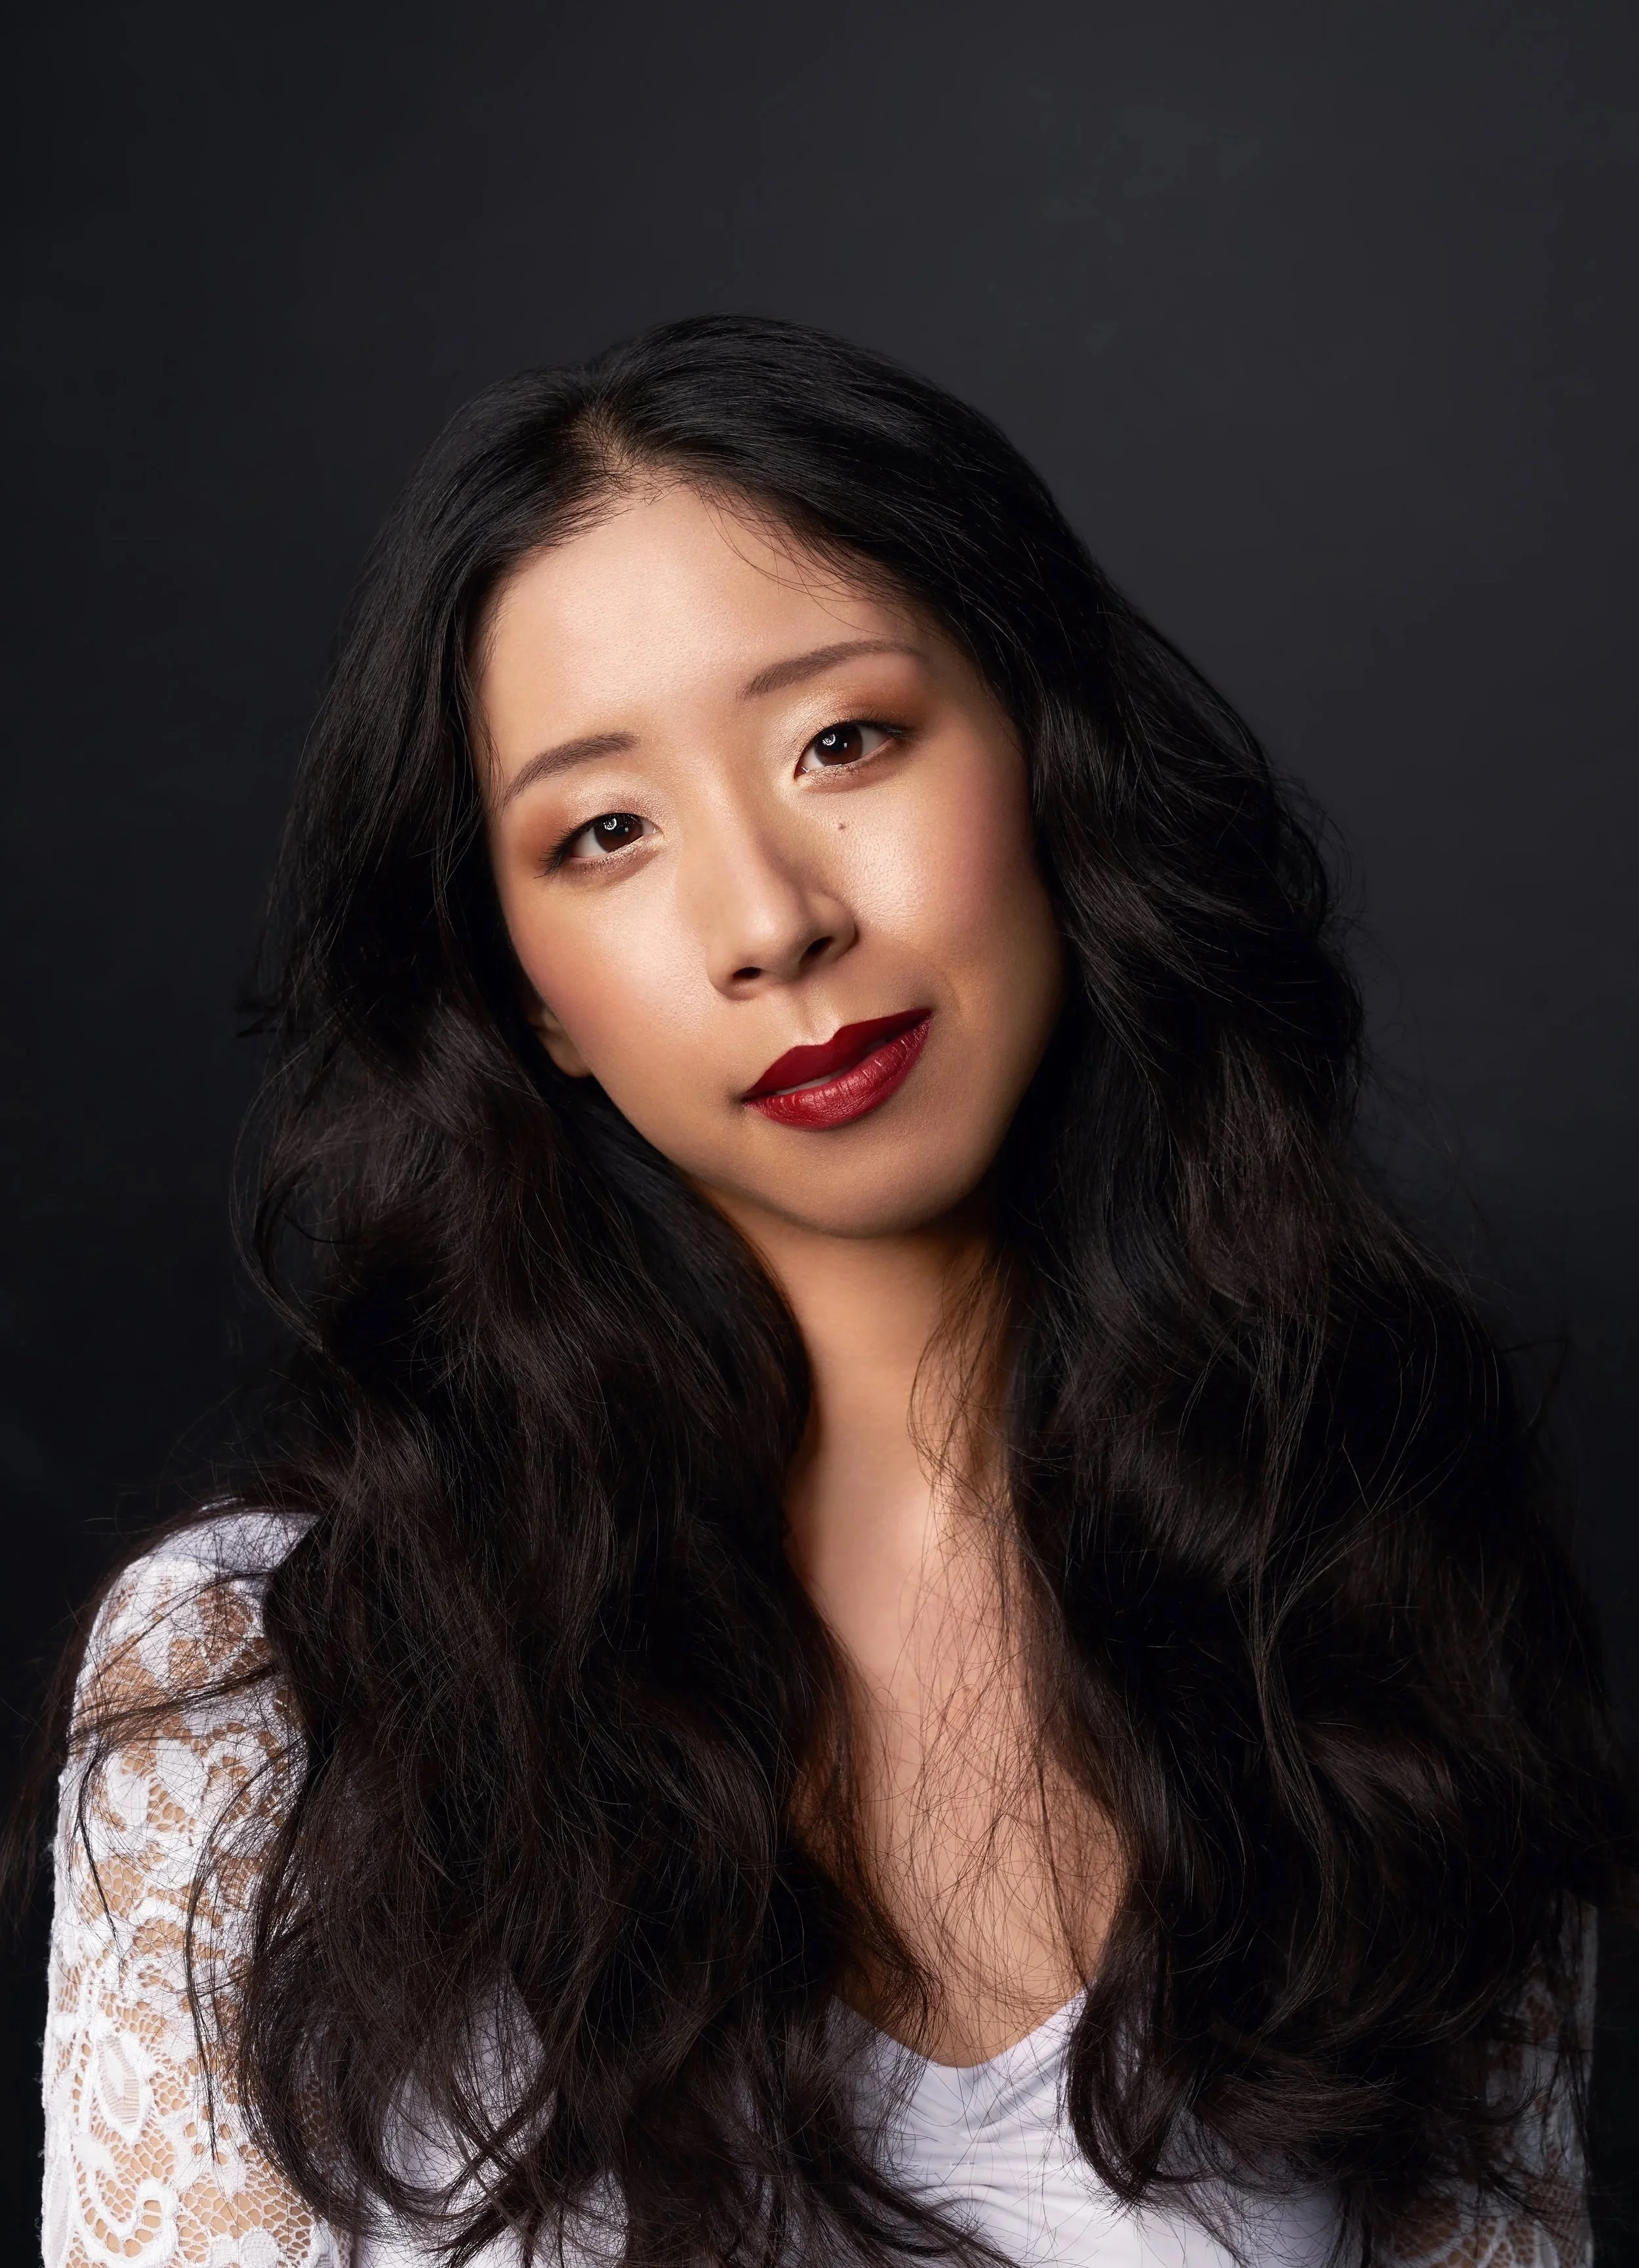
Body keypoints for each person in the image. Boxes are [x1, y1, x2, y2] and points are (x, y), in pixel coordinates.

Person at [30, 317, 1632, 2267]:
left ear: (1047, 748)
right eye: (603, 831)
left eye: (841, 740)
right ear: (530, 989)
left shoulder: (1364, 1605)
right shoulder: (264, 1691)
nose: (773, 917)